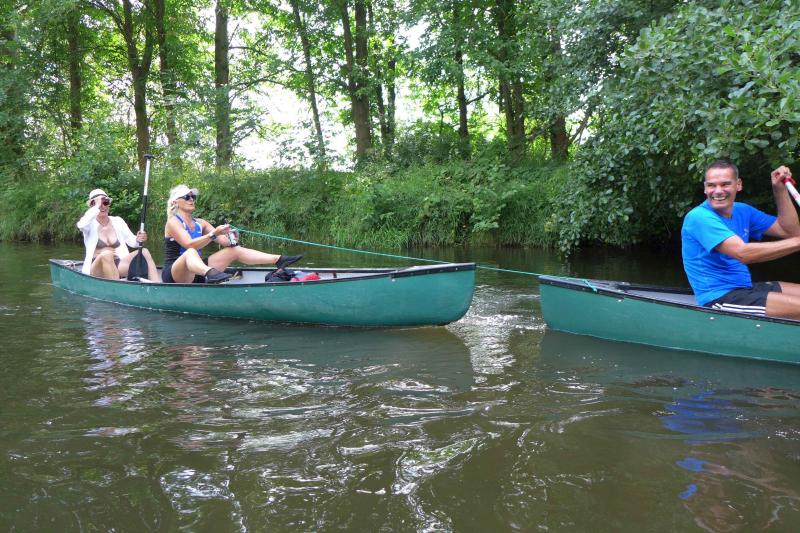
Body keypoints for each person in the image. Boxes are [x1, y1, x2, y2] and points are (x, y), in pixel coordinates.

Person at [681, 160, 800, 319]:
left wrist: (780, 189)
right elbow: (743, 254)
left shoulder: (743, 211)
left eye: (725, 184)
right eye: (711, 185)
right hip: (719, 298)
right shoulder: (699, 217)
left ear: (738, 185)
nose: (718, 191)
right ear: (705, 188)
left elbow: (790, 232)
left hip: (745, 289)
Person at [162, 184, 302, 284]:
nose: (191, 199)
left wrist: (231, 237)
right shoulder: (173, 222)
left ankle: (279, 260)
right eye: (187, 197)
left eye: (193, 196)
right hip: (176, 274)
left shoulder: (201, 223)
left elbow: (225, 242)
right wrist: (213, 234)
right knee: (191, 252)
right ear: (175, 202)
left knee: (234, 250)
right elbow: (189, 244)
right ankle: (211, 274)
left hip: (198, 272)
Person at [77, 188, 160, 282]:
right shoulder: (89, 225)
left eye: (105, 202)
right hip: (96, 268)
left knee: (144, 252)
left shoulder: (118, 221)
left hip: (118, 264)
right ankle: (118, 288)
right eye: (97, 203)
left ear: (109, 205)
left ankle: (156, 285)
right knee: (107, 254)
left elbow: (132, 242)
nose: (102, 206)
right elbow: (81, 225)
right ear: (92, 206)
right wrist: (97, 205)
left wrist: (138, 239)